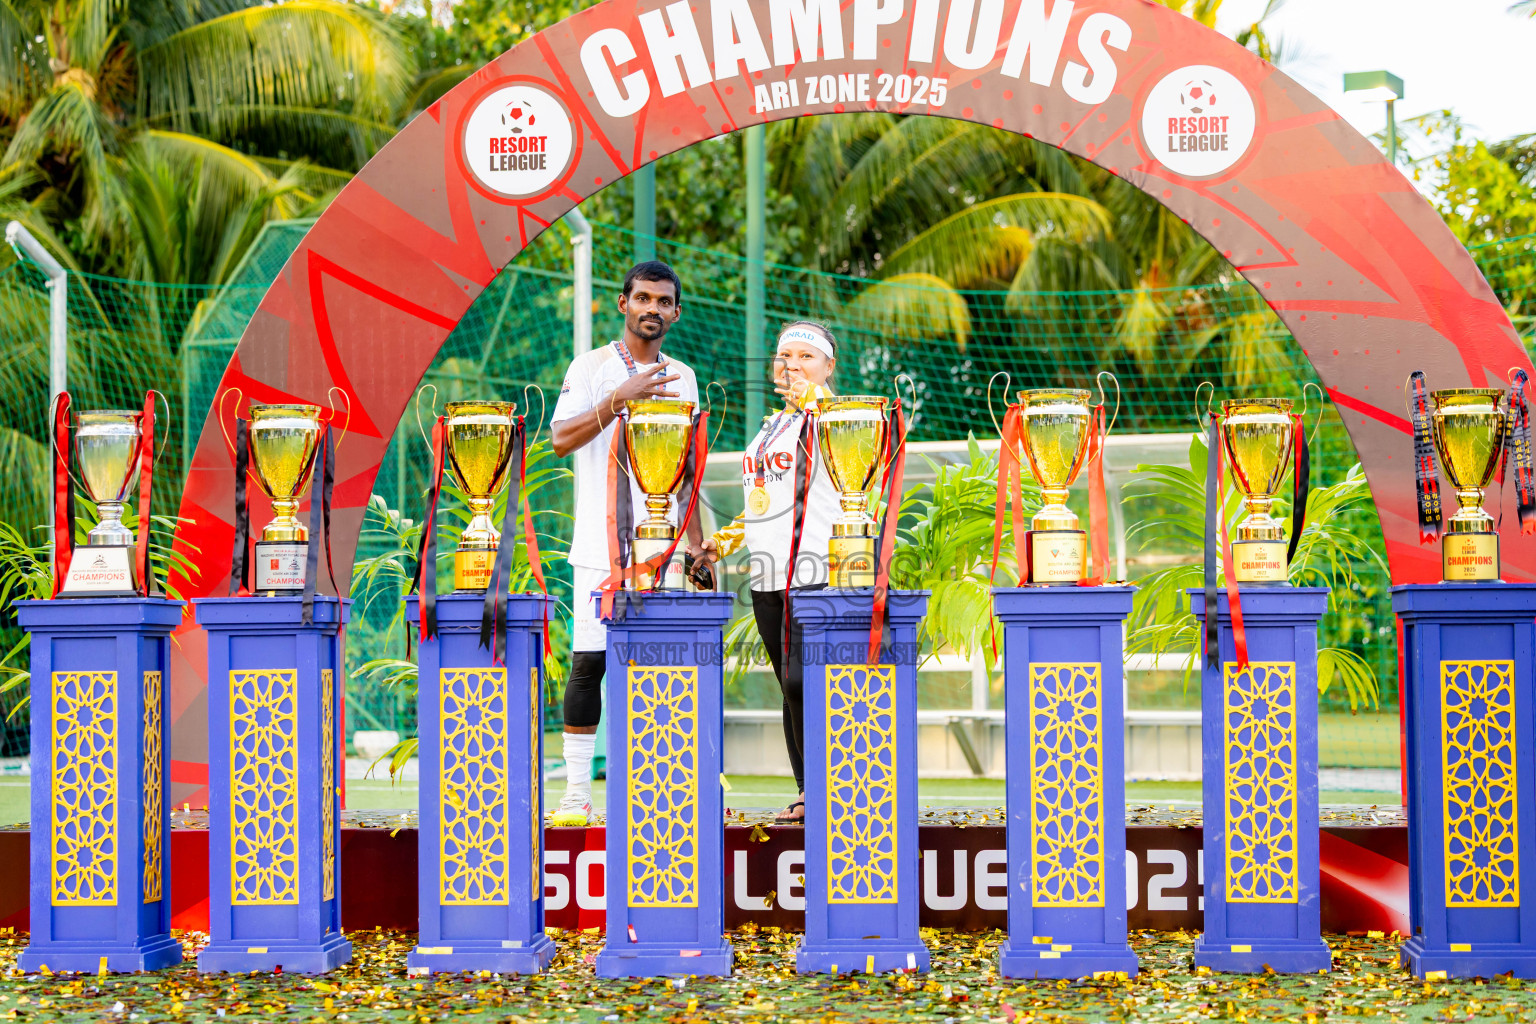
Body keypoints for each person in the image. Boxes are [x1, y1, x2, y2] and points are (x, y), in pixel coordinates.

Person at [548, 260, 702, 827]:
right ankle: (576, 794)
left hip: (661, 549)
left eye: (663, 302)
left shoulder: (683, 377)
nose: (652, 309)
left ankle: (661, 789)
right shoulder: (589, 367)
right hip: (599, 545)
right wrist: (620, 397)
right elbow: (561, 439)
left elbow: (686, 472)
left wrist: (696, 545)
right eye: (643, 298)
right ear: (623, 304)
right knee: (590, 664)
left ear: (675, 312)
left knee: (662, 668)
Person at [700, 321, 841, 824]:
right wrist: (721, 544)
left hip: (818, 567)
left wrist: (814, 398)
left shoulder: (834, 418)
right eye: (786, 357)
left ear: (828, 367)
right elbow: (762, 507)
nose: (794, 365)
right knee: (789, 684)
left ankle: (828, 790)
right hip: (767, 574)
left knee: (807, 681)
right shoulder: (770, 427)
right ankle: (807, 789)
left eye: (807, 357)